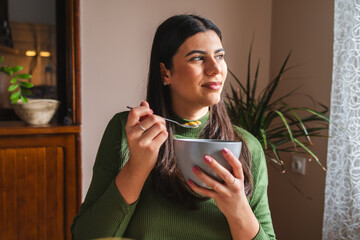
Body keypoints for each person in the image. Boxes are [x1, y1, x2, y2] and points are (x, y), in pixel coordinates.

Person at [71, 14, 276, 240]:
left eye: (219, 56)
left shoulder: (247, 147)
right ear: (165, 72)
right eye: (198, 58)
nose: (215, 68)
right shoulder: (126, 132)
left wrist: (238, 209)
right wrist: (137, 167)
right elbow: (86, 235)